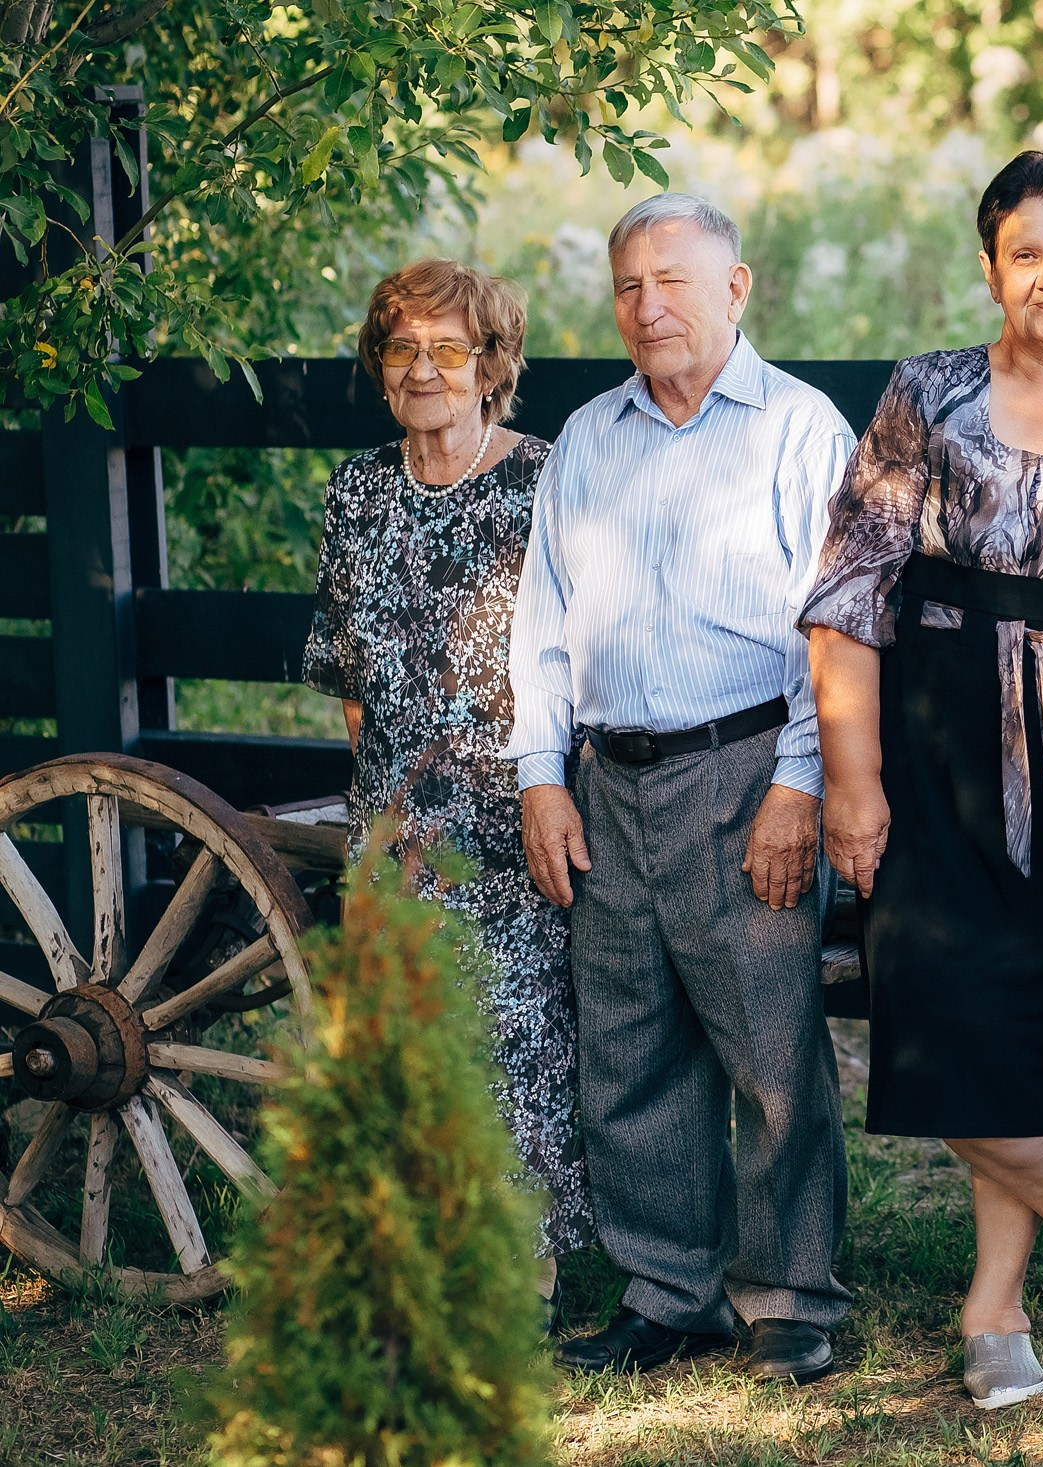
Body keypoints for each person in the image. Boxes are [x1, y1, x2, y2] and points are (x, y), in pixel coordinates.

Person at [800, 151, 1043, 1410]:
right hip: (935, 750)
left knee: (1022, 1037)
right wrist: (852, 782)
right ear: (991, 269)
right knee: (940, 1030)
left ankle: (993, 1305)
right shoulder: (931, 394)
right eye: (1025, 253)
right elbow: (847, 599)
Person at [504, 192, 857, 1382]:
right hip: (611, 781)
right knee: (630, 1049)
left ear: (736, 288)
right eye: (628, 287)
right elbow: (540, 622)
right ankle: (669, 1294)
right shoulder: (588, 437)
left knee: (770, 1052)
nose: (649, 306)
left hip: (746, 770)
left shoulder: (799, 430)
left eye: (674, 280)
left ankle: (791, 1298)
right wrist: (542, 779)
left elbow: (836, 625)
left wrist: (800, 785)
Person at [303, 259, 593, 1306]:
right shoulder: (358, 491)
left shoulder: (544, 480)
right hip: (394, 814)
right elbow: (348, 677)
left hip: (518, 805)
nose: (423, 369)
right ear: (381, 370)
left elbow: (582, 656)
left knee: (515, 1035)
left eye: (448, 349)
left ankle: (525, 1261)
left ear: (492, 366)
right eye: (402, 349)